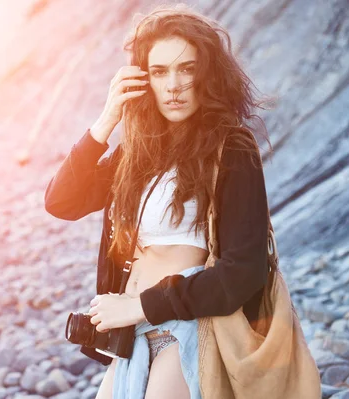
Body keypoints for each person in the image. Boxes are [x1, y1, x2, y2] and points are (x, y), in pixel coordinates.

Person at [44, 3, 276, 399]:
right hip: (130, 331)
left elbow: (245, 270)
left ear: (208, 75)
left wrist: (138, 308)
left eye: (187, 69)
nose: (173, 85)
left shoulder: (231, 147)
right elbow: (61, 202)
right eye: (159, 71)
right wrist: (105, 122)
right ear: (142, 79)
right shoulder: (138, 151)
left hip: (185, 325)